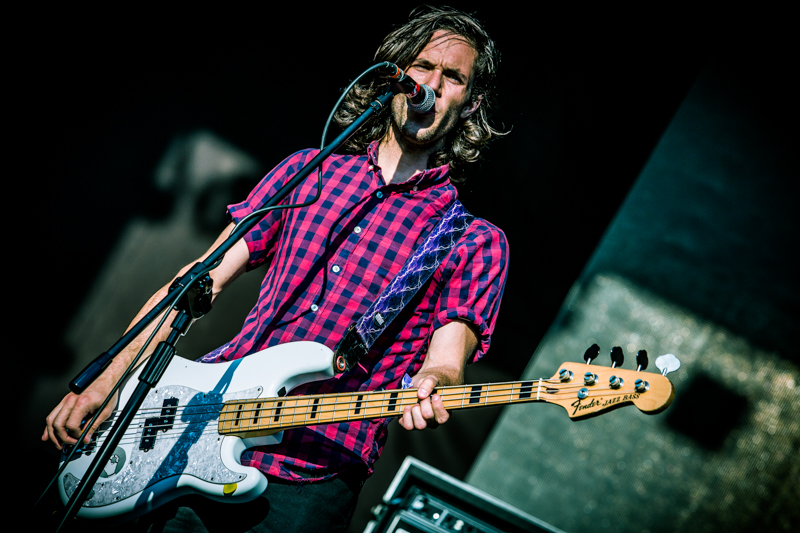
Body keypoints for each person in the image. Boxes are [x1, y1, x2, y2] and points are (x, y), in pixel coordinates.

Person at [43, 6, 509, 532]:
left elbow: (447, 365)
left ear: (470, 105)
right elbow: (199, 279)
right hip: (198, 434)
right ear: (395, 76)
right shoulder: (308, 173)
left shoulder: (471, 240)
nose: (431, 83)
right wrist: (110, 381)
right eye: (422, 65)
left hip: (311, 476)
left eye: (453, 77)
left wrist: (434, 381)